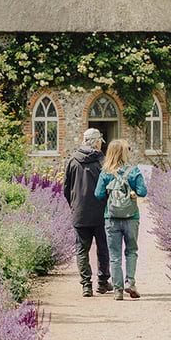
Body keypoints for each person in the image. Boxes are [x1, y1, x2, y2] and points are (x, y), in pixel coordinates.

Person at [94, 139, 148, 300]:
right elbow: (143, 192)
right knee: (131, 251)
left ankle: (118, 290)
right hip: (131, 217)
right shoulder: (134, 171)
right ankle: (130, 282)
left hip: (111, 218)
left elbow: (98, 194)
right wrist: (131, 192)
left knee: (114, 254)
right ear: (125, 153)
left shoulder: (105, 173)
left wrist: (110, 194)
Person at [63, 128, 113, 297]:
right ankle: (102, 282)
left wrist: (74, 205)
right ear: (96, 141)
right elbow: (109, 186)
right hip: (100, 211)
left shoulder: (73, 161)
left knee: (81, 249)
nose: (100, 144)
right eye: (100, 141)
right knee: (103, 247)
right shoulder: (101, 161)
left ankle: (86, 285)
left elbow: (66, 188)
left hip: (80, 212)